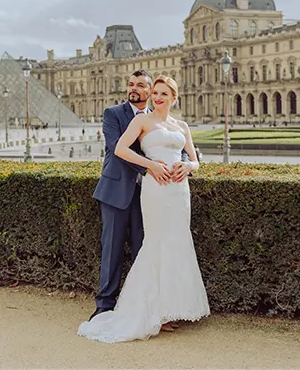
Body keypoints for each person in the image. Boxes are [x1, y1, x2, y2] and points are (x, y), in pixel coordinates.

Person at [78, 75, 209, 343]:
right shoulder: (130, 117)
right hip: (143, 187)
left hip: (177, 190)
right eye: (156, 93)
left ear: (173, 98)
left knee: (175, 245)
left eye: (163, 93)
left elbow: (193, 159)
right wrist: (151, 166)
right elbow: (118, 149)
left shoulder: (180, 125)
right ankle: (110, 307)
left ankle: (168, 310)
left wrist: (188, 167)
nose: (157, 97)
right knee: (140, 247)